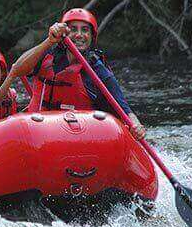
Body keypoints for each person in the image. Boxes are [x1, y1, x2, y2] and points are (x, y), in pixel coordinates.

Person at [10, 8, 146, 139]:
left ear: (92, 36)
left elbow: (124, 109)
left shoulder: (98, 70)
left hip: (77, 138)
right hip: (38, 132)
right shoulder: (47, 54)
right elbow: (17, 70)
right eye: (73, 29)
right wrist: (49, 41)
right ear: (64, 34)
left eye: (85, 30)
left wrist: (136, 125)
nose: (79, 34)